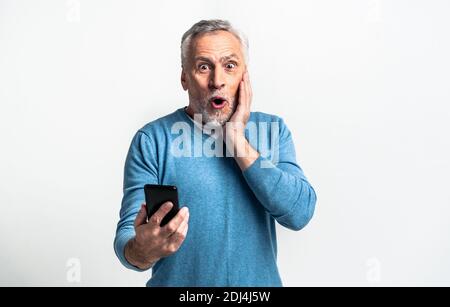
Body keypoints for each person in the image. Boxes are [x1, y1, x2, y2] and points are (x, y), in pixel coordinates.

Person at [114, 19, 317, 287]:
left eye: (229, 66)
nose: (217, 81)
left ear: (244, 76)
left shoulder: (272, 131)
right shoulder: (152, 140)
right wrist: (142, 250)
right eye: (203, 67)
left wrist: (236, 140)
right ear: (185, 77)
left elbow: (299, 213)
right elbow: (128, 237)